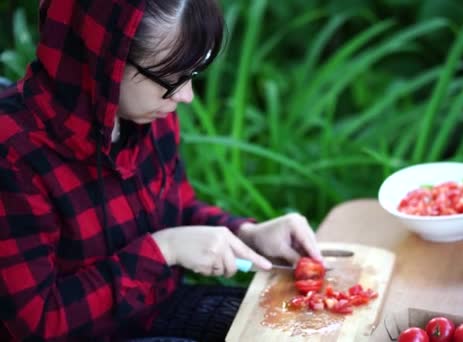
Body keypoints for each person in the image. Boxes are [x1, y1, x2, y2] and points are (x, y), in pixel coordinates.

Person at [0, 0, 323, 341]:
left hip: (158, 309)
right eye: (172, 78)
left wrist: (245, 234)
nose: (186, 96)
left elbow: (176, 208)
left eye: (192, 74)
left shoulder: (149, 112)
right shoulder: (15, 152)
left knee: (296, 327)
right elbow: (34, 324)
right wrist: (162, 251)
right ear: (104, 62)